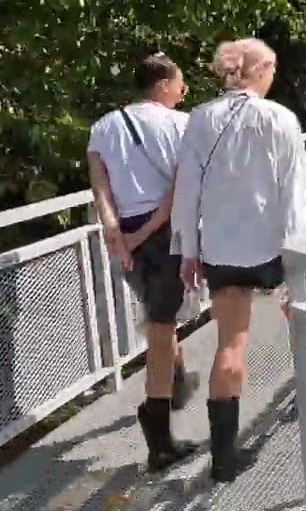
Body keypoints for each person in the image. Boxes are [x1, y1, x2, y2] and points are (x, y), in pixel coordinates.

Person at [172, 38, 306, 483]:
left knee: (231, 343)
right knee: (300, 315)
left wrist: (188, 251)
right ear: (259, 69)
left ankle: (224, 458)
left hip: (220, 251)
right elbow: (293, 195)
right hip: (270, 247)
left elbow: (187, 190)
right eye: (272, 68)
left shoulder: (200, 118)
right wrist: (297, 255)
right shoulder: (281, 119)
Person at [86, 52, 199, 472]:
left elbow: (100, 187)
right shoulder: (181, 125)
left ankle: (175, 384)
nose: (183, 94)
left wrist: (117, 232)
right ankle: (157, 429)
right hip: (163, 232)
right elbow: (180, 187)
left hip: (125, 240)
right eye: (182, 86)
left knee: (158, 316)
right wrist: (145, 231)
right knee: (162, 322)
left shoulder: (103, 127)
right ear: (164, 85)